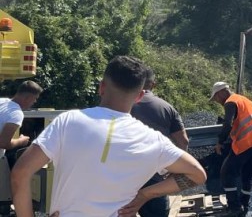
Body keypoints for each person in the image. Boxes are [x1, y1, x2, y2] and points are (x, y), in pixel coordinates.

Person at [11, 56, 206, 217]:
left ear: (101, 87)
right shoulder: (153, 140)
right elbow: (197, 174)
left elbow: (20, 173)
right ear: (139, 96)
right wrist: (145, 195)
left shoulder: (68, 121)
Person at [130, 66, 190, 217]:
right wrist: (174, 169)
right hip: (154, 178)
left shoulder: (121, 104)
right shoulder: (166, 108)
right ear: (153, 84)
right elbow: (183, 141)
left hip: (123, 176)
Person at [210, 81, 252, 216]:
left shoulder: (230, 102)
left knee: (227, 172)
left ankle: (234, 208)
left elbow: (227, 124)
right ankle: (244, 206)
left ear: (222, 92)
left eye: (216, 97)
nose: (216, 101)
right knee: (248, 173)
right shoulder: (243, 99)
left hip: (249, 141)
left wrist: (220, 142)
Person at [0, 81, 42, 165]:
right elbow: (3, 143)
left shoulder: (2, 101)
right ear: (27, 98)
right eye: (34, 98)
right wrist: (21, 141)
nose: (35, 101)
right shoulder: (16, 113)